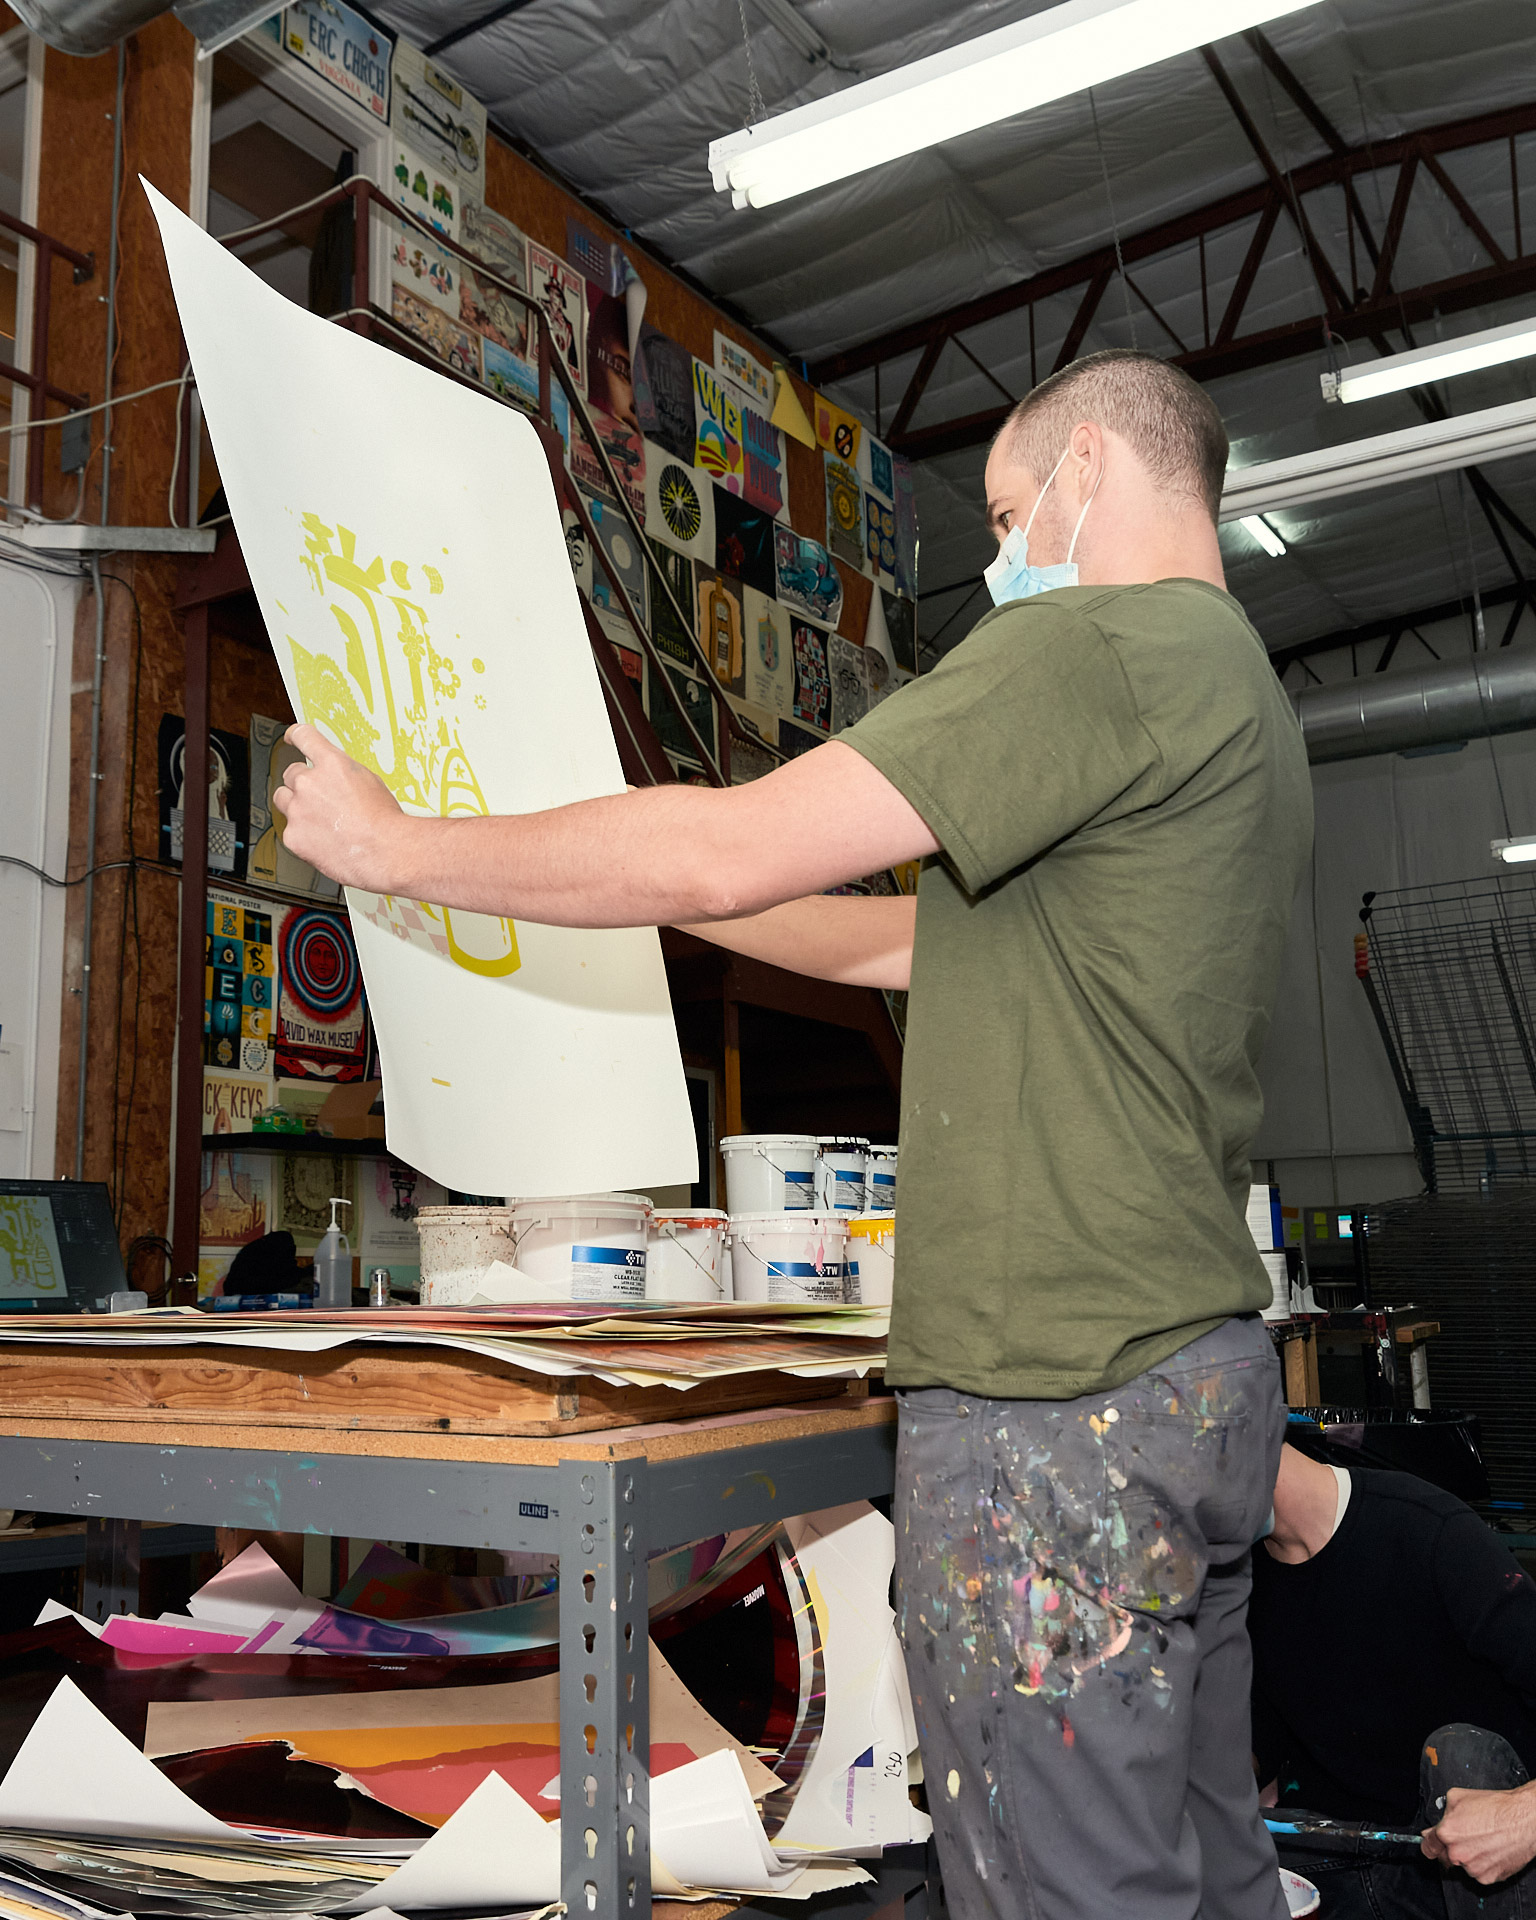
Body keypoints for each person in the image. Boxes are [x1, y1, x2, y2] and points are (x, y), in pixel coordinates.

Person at [273, 347, 1314, 1918]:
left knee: (1064, 1889)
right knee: (1204, 1871)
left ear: (1091, 470)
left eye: (1010, 513)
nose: (1002, 557)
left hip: (1057, 1406)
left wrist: (401, 846)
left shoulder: (1096, 645)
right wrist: (638, 884)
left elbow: (737, 848)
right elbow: (879, 937)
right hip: (1192, 1386)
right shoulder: (1239, 699)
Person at [1252, 1438, 1536, 1917]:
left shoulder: (1433, 1532)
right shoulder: (1235, 1582)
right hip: (1347, 1861)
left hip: (1481, 1877)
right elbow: (1261, 1733)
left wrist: (1524, 1816)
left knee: (1459, 1751)